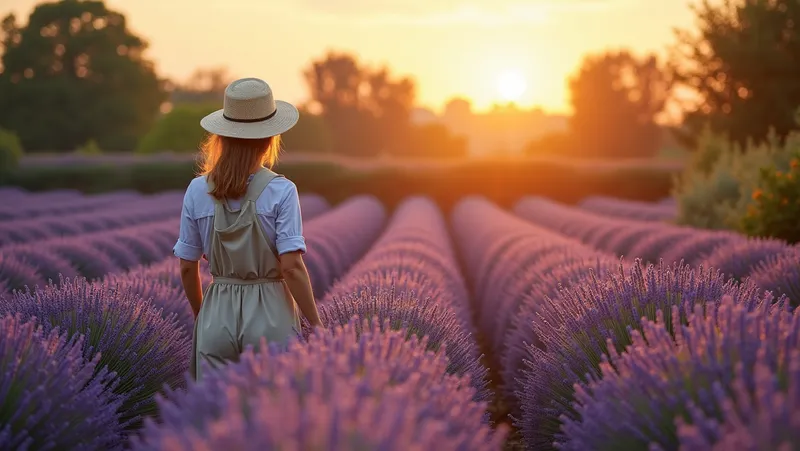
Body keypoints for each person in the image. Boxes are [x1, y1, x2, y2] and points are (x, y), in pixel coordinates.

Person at [173, 77, 324, 380]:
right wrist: (317, 325)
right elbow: (292, 267)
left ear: (223, 137)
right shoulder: (281, 190)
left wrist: (203, 316)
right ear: (270, 139)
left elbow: (188, 267)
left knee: (213, 417)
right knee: (272, 412)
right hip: (271, 313)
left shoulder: (196, 189)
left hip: (217, 314)